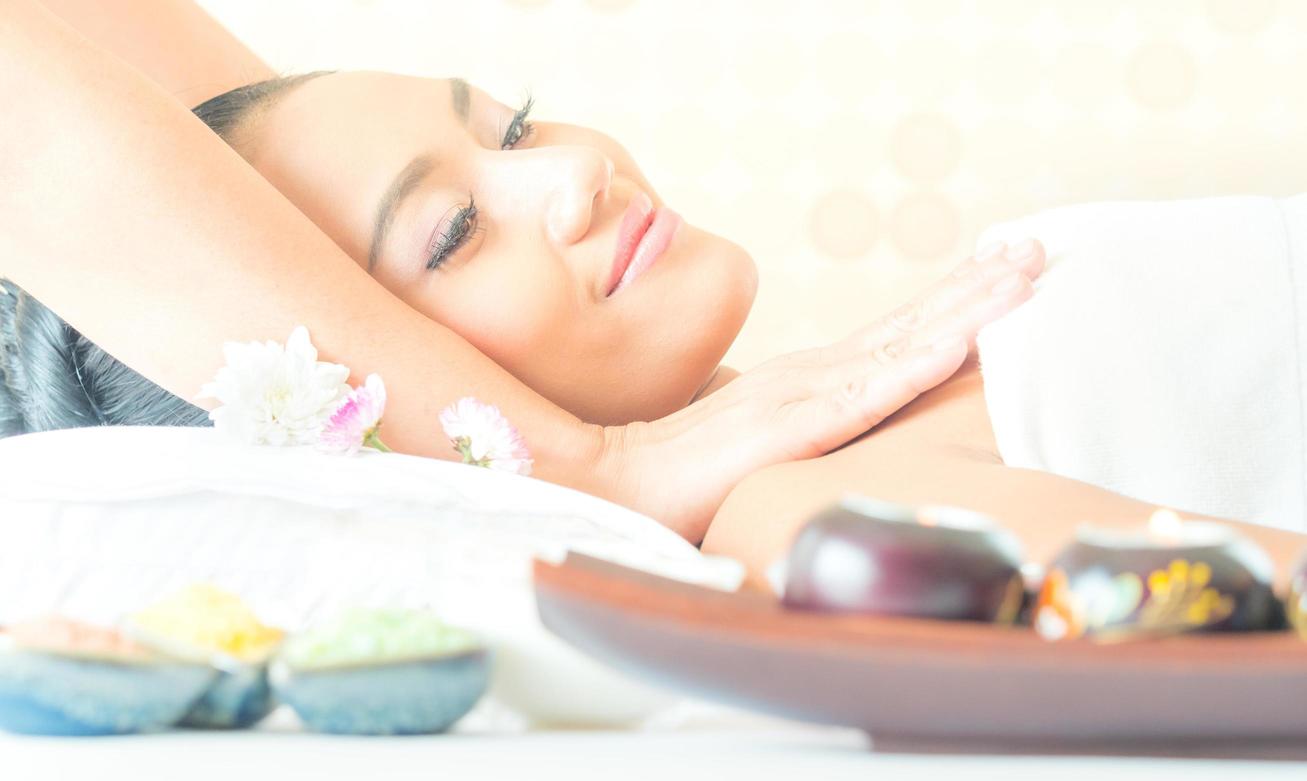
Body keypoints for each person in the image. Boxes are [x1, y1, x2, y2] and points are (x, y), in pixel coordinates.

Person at [6, 0, 1305, 592]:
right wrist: (589, 463)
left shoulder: (867, 402)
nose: (574, 171)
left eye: (511, 126)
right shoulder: (811, 517)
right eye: (454, 232)